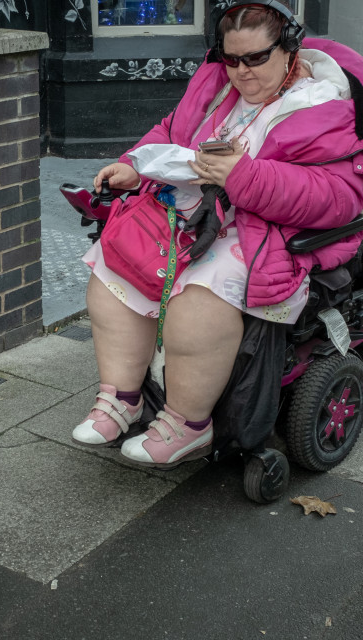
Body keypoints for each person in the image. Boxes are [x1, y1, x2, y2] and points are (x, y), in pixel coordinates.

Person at [72, 0, 363, 469]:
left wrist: (243, 176)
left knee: (199, 296)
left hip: (270, 233)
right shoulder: (216, 86)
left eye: (256, 58)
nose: (242, 72)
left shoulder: (323, 105)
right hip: (197, 214)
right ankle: (122, 398)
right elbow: (172, 131)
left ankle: (188, 424)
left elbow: (338, 196)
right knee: (115, 265)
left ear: (289, 49)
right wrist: (133, 166)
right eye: (232, 59)